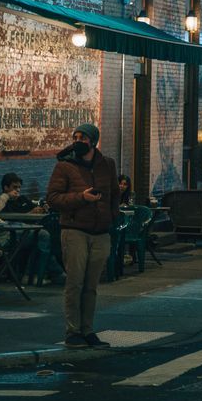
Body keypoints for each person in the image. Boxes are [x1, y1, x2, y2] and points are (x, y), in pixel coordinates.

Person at [46, 122, 118, 349]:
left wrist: (111, 216)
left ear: (93, 141)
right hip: (74, 230)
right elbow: (54, 199)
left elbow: (115, 194)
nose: (78, 141)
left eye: (83, 137)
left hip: (101, 232)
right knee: (74, 283)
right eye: (75, 136)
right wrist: (81, 198)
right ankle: (72, 331)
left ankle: (88, 329)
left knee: (91, 285)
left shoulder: (107, 164)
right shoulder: (65, 167)